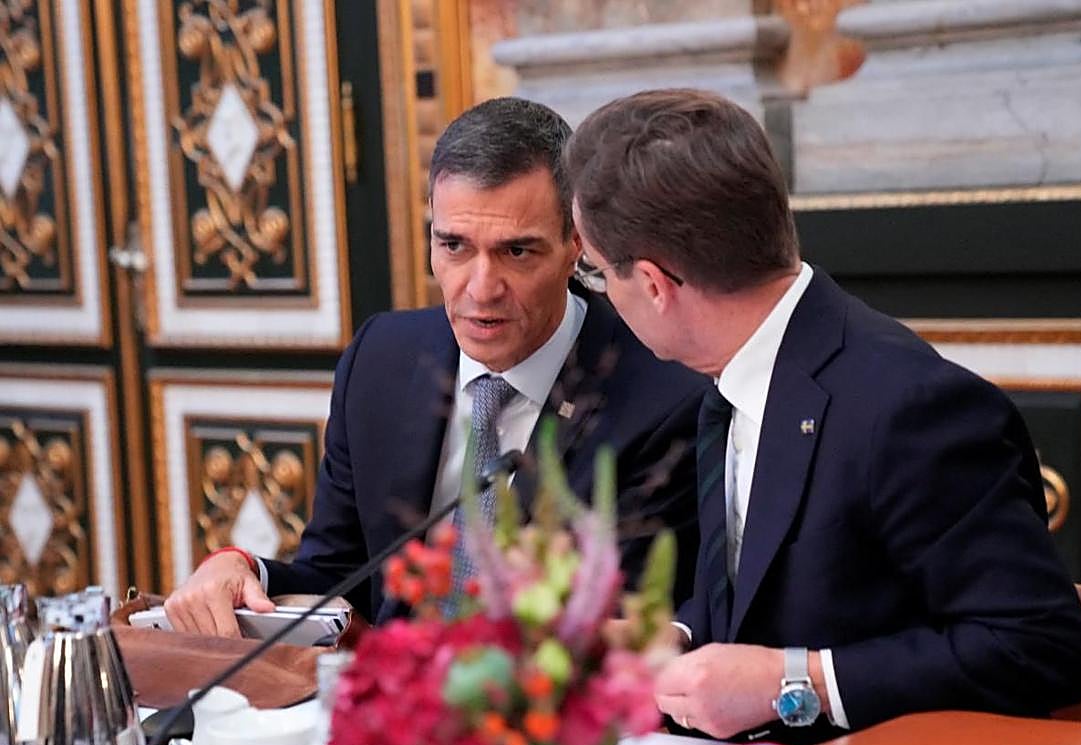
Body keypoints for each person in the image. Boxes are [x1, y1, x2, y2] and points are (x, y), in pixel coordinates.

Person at [564, 88, 1081, 745]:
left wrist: (796, 681)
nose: (602, 294)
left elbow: (1041, 648)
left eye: (593, 273)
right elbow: (771, 585)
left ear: (652, 284)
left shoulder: (910, 409)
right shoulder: (734, 374)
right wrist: (670, 637)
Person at [165, 97, 707, 636]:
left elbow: (632, 633)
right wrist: (244, 569)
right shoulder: (382, 359)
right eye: (454, 246)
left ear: (576, 244)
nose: (480, 288)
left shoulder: (663, 398)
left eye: (517, 252)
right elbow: (339, 578)